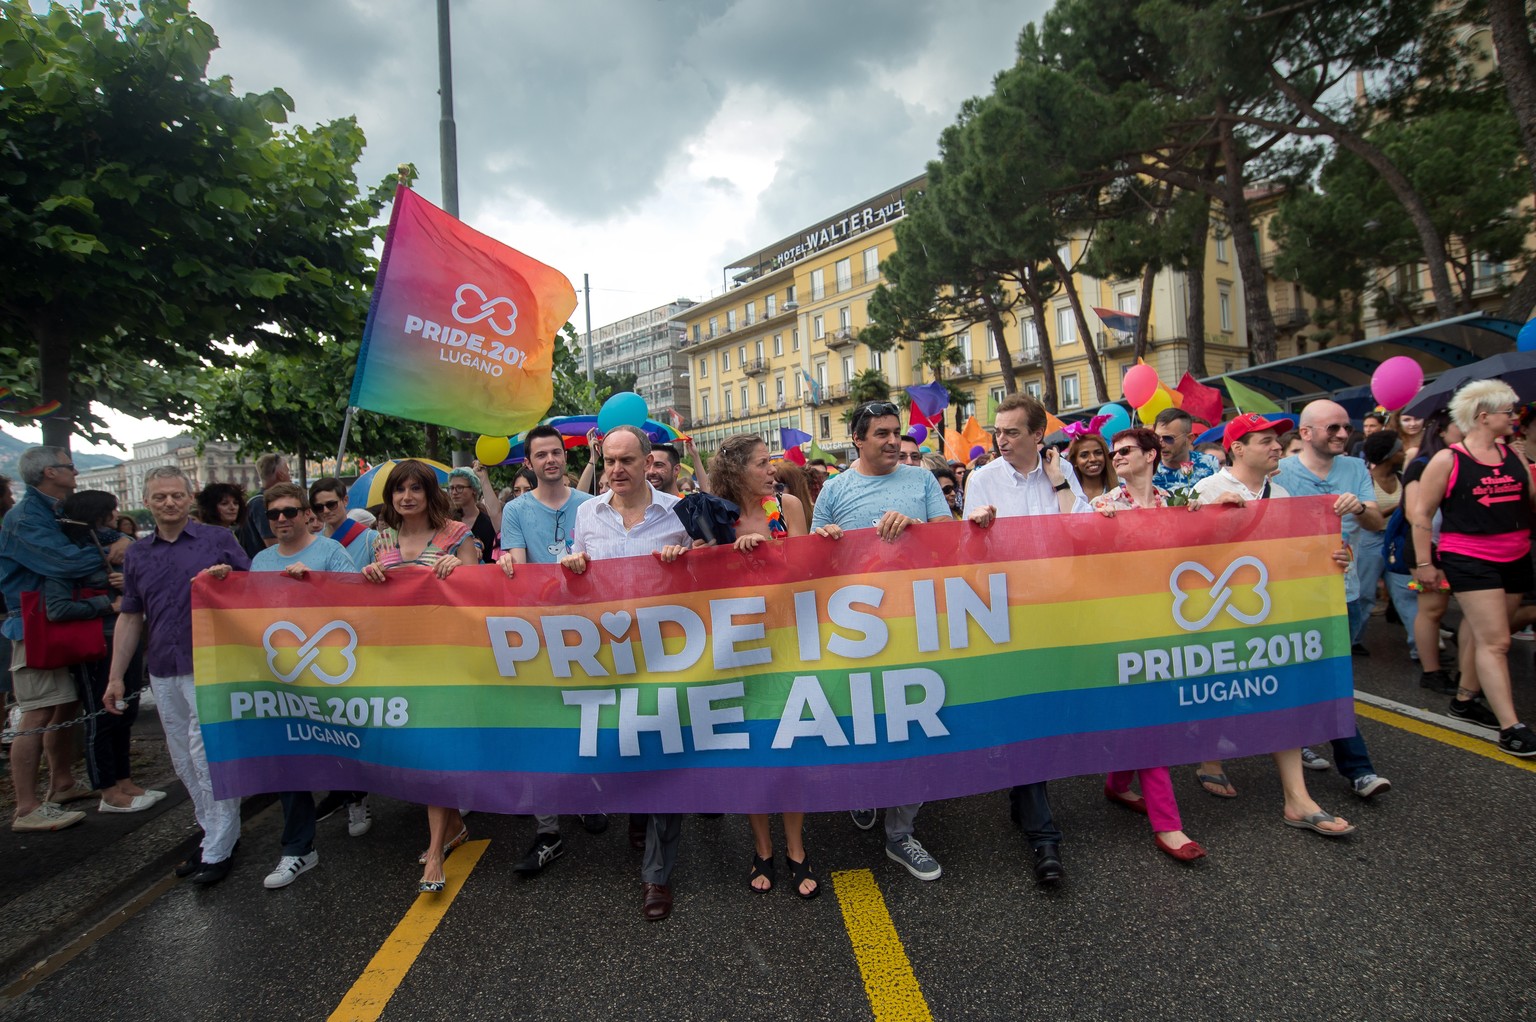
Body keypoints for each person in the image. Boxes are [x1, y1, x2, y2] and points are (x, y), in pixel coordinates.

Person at [1190, 414, 1355, 837]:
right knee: (1221, 690)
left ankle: (1296, 797)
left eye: (1277, 440)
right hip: (1221, 615)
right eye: (1266, 440)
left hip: (1274, 614)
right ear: (1238, 449)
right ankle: (1210, 755)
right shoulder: (1204, 491)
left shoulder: (1280, 492)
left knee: (1283, 692)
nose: (1277, 447)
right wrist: (1214, 520)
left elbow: (1294, 555)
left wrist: (1331, 557)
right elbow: (1184, 560)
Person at [554, 425, 694, 921]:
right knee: (625, 742)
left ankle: (657, 875)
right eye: (609, 461)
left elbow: (708, 581)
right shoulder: (587, 513)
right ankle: (637, 811)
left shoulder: (678, 511)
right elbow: (579, 577)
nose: (616, 470)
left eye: (626, 461)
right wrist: (573, 565)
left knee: (663, 753)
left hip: (665, 657)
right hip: (608, 656)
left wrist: (688, 558)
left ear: (647, 462)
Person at [811, 401, 952, 882]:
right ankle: (865, 790)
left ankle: (901, 833)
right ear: (858, 439)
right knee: (863, 722)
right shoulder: (833, 490)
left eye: (897, 432)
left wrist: (915, 529)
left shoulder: (923, 481)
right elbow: (814, 564)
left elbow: (949, 542)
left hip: (916, 625)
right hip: (857, 633)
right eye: (882, 434)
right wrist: (827, 538)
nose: (894, 441)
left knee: (917, 723)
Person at [963, 393, 1087, 884]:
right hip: (1008, 613)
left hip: (1058, 609)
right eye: (999, 430)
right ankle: (1045, 838)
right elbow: (969, 553)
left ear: (1039, 434)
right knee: (1025, 713)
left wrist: (1060, 482)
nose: (1002, 439)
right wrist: (980, 532)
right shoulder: (982, 479)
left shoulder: (1061, 474)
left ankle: (1021, 791)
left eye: (1013, 431)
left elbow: (1079, 534)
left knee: (1050, 713)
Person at [103, 466, 249, 883]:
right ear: (147, 502)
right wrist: (116, 678)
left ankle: (218, 850)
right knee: (183, 760)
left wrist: (228, 580)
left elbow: (252, 590)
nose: (169, 502)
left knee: (208, 757)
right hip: (164, 670)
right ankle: (214, 834)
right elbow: (131, 618)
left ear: (190, 498)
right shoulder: (138, 554)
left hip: (212, 666)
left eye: (176, 495)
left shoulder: (217, 540)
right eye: (160, 497)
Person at [707, 434, 819, 898]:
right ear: (736, 472)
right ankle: (762, 849)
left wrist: (776, 554)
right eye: (760, 463)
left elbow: (805, 570)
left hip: (788, 640)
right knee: (752, 749)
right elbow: (702, 578)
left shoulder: (788, 506)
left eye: (770, 461)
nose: (771, 469)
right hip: (737, 647)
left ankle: (796, 848)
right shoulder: (716, 513)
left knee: (789, 747)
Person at [362, 460, 481, 891]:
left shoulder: (456, 535)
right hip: (400, 660)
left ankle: (434, 854)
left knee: (435, 750)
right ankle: (453, 830)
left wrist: (461, 573)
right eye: (399, 489)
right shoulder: (383, 538)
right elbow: (370, 600)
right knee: (417, 750)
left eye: (415, 488)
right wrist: (370, 575)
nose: (406, 496)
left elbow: (481, 593)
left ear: (430, 493)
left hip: (448, 659)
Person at [1092, 427, 1207, 861]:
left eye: (1125, 451)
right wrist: (1095, 533)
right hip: (1123, 628)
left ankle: (1119, 783)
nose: (1116, 457)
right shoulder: (1102, 507)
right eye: (1113, 452)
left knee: (1149, 714)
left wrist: (1224, 511)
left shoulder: (1179, 501)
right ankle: (1168, 824)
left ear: (1151, 456)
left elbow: (1208, 549)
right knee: (1150, 718)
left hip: (1173, 625)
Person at [493, 425, 602, 874]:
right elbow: (517, 562)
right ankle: (547, 830)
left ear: (565, 456)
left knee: (587, 718)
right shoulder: (515, 510)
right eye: (541, 455)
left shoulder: (591, 505)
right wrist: (507, 563)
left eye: (556, 452)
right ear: (529, 462)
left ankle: (588, 797)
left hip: (585, 631)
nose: (551, 460)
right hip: (537, 634)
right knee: (542, 726)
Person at [1, 446, 127, 833]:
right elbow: (63, 562)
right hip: (32, 625)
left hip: (53, 624)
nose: (75, 472)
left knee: (64, 706)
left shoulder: (51, 511)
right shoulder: (25, 518)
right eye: (69, 467)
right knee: (36, 712)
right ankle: (26, 807)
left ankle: (62, 784)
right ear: (49, 473)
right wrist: (110, 552)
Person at [1274, 400, 1394, 798]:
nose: (1344, 434)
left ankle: (1305, 737)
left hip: (1343, 592)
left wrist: (1359, 507)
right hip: (1291, 597)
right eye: (1333, 428)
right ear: (1306, 434)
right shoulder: (1281, 474)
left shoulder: (1355, 468)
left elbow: (1377, 521)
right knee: (1328, 680)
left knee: (1328, 677)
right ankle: (1359, 770)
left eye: (1346, 427)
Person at [1411, 381, 1536, 756]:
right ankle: (1511, 728)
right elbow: (1421, 514)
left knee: (1485, 636)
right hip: (1469, 559)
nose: (1515, 417)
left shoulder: (1514, 454)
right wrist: (1423, 564)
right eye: (1508, 412)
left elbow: (1529, 499)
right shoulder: (1449, 459)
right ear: (1484, 416)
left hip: (1516, 556)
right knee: (1497, 641)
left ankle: (1465, 699)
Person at [246, 483, 358, 889]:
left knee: (344, 744)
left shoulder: (329, 552)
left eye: (289, 512)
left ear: (305, 514)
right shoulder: (260, 561)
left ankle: (355, 796)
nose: (280, 520)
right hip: (283, 677)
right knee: (288, 756)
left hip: (332, 671)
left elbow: (358, 599)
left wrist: (315, 583)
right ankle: (298, 849)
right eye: (272, 514)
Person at [51, 490, 165, 813]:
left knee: (126, 711)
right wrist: (108, 601)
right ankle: (107, 789)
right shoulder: (68, 555)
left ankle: (124, 780)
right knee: (101, 715)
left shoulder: (116, 543)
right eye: (110, 511)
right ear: (96, 514)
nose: (117, 516)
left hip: (123, 637)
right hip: (96, 640)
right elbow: (57, 606)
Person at [1404, 411, 1463, 695]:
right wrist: (1425, 558)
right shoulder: (1421, 465)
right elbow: (1414, 512)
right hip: (1426, 548)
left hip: (1453, 546)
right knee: (1432, 610)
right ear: (1441, 430)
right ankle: (1431, 671)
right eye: (1460, 426)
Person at [1359, 431, 1417, 661]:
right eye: (1400, 450)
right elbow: (1365, 516)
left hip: (1395, 541)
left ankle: (1420, 648)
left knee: (1406, 594)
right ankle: (1353, 640)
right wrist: (1399, 508)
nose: (1404, 454)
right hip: (1368, 540)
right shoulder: (1365, 480)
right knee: (1364, 595)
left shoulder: (1403, 478)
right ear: (1388, 455)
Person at [308, 477, 379, 572]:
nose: (326, 511)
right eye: (319, 507)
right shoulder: (314, 542)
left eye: (331, 504)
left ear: (345, 500)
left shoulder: (371, 539)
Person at [1151, 407, 1221, 498]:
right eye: (1157, 438)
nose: (1161, 444)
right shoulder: (1147, 468)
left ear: (1189, 439)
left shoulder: (1208, 463)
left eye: (1168, 438)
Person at [238, 453, 289, 558]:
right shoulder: (261, 503)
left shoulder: (257, 502)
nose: (290, 477)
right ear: (281, 474)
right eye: (288, 471)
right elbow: (273, 545)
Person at [446, 468, 497, 563]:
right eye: (451, 488)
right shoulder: (447, 522)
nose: (454, 492)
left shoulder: (487, 524)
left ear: (473, 489)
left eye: (459, 488)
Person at [1067, 433, 1116, 501]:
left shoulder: (1121, 491)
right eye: (1084, 455)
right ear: (1075, 461)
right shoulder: (1068, 494)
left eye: (1098, 453)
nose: (1093, 459)